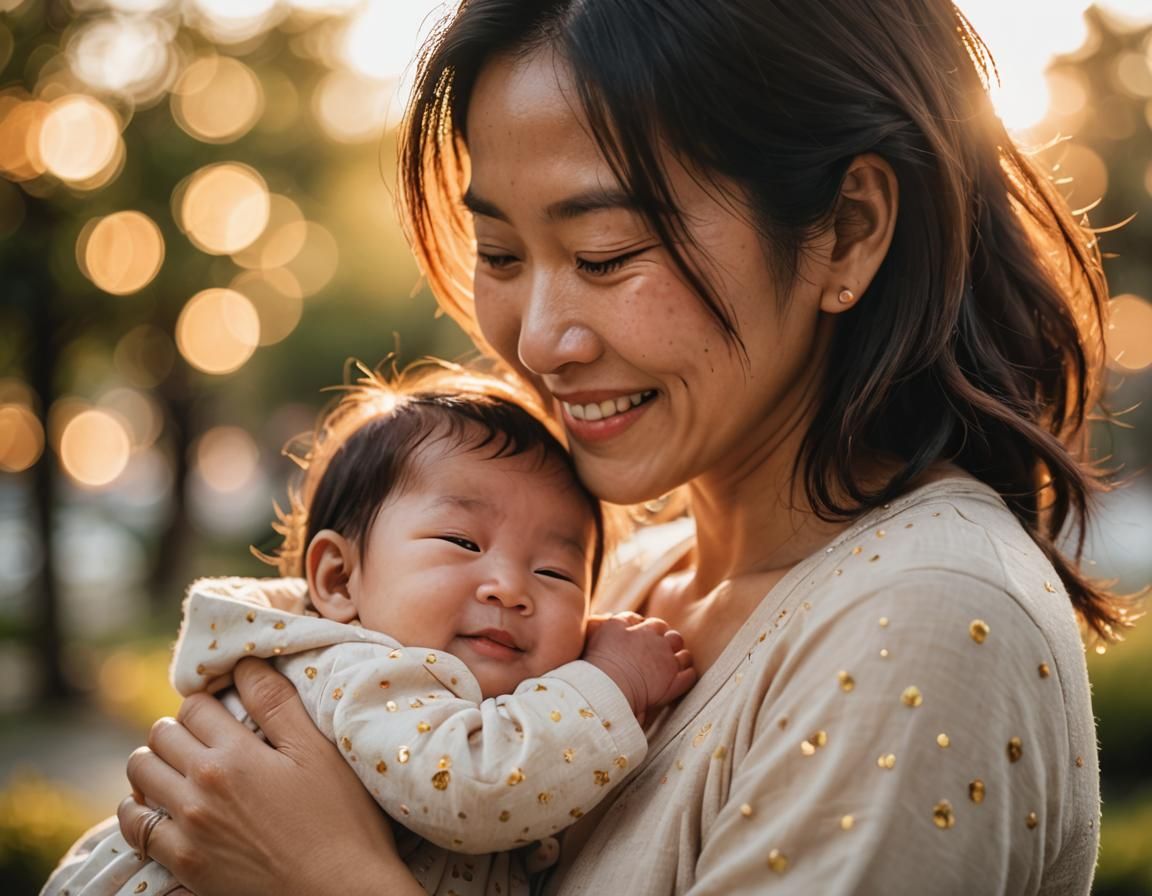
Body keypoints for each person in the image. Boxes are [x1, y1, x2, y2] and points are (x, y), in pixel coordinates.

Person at [117, 0, 1131, 893]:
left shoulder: (931, 616)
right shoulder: (618, 581)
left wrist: (326, 877)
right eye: (502, 254)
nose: (539, 339)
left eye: (606, 254)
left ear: (847, 230)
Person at [44, 365, 694, 896]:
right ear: (337, 580)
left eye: (555, 571)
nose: (511, 587)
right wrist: (611, 682)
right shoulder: (357, 671)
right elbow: (471, 788)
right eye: (461, 540)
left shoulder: (473, 703)